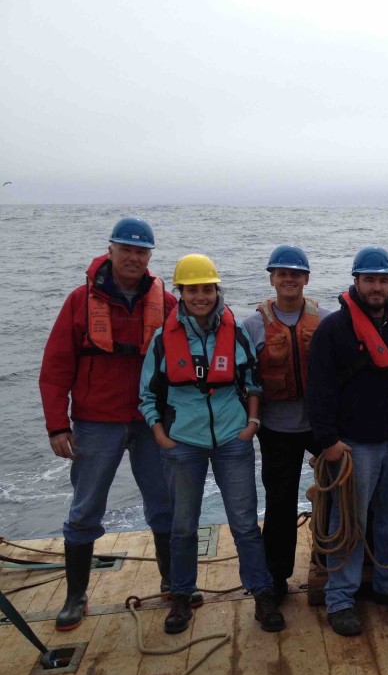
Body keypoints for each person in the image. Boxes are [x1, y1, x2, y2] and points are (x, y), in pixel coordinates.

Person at [40, 217, 178, 631]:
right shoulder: (79, 302)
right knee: (84, 510)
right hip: (96, 421)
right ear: (111, 250)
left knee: (165, 504)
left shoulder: (166, 303)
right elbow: (55, 366)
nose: (133, 257)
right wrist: (56, 426)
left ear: (150, 256)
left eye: (141, 251)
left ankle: (173, 582)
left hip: (151, 420)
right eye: (126, 249)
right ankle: (75, 595)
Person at [140, 254, 286, 634]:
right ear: (181, 293)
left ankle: (262, 594)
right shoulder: (163, 340)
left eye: (207, 289)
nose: (201, 296)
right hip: (182, 443)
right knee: (183, 526)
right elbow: (147, 394)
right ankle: (182, 598)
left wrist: (251, 423)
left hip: (232, 440)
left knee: (244, 524)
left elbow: (252, 382)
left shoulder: (234, 334)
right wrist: (159, 434)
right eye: (193, 289)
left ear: (216, 291)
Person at [306, 246, 388, 637]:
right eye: (369, 280)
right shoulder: (333, 331)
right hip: (354, 446)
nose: (377, 287)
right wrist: (327, 441)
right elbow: (319, 392)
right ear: (356, 282)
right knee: (350, 522)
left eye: (383, 280)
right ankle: (340, 599)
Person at [242, 245, 323, 605]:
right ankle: (276, 577)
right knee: (279, 503)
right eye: (282, 273)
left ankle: (333, 559)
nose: (289, 279)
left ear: (306, 279)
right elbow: (242, 379)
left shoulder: (326, 319)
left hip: (321, 425)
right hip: (276, 429)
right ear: (272, 279)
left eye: (296, 274)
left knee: (342, 491)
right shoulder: (252, 326)